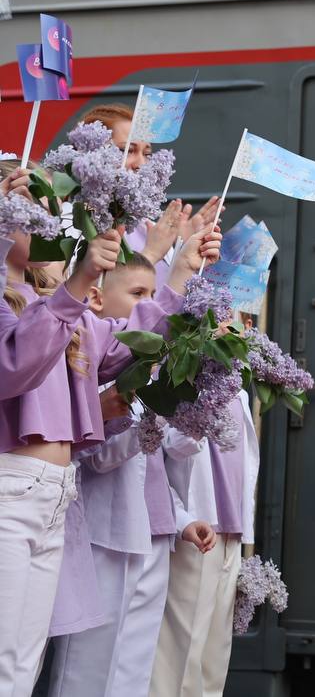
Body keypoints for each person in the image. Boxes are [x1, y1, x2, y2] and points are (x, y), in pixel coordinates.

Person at [0, 158, 221, 696]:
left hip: (51, 495)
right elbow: (13, 370)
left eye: (47, 210)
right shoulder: (35, 300)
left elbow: (124, 345)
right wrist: (76, 284)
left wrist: (181, 274)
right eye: (29, 210)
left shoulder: (49, 300)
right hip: (8, 487)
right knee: (6, 654)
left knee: (22, 662)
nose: (47, 223)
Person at [46, 254, 214, 697]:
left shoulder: (150, 373)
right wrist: (140, 409)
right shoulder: (95, 372)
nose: (149, 305)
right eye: (138, 294)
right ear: (98, 300)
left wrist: (181, 519)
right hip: (105, 536)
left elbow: (170, 459)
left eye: (154, 296)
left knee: (133, 666)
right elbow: (97, 459)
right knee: (87, 667)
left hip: (152, 535)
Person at [149, 354, 257, 697]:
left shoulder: (238, 390)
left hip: (230, 532)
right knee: (181, 653)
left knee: (214, 655)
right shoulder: (177, 380)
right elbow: (172, 450)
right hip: (197, 527)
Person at [82, 102, 219, 286]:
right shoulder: (73, 223)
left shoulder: (146, 227)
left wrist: (181, 248)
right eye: (128, 150)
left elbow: (162, 304)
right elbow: (88, 303)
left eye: (146, 154)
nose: (141, 164)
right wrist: (151, 253)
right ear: (92, 152)